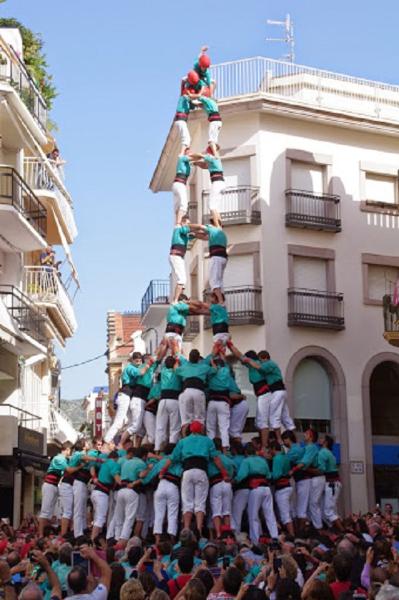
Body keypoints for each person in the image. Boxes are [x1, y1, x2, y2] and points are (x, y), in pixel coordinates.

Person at [160, 421, 228, 534]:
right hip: (201, 471)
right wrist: (224, 473)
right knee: (200, 503)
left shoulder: (183, 441)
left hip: (187, 472)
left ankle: (186, 529)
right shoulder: (207, 441)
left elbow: (172, 458)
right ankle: (199, 530)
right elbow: (216, 459)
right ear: (201, 429)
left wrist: (162, 471)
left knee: (187, 502)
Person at [228, 343, 272, 449]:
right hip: (264, 395)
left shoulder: (253, 364)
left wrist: (230, 345)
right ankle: (264, 444)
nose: (243, 363)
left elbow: (239, 355)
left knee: (262, 422)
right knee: (259, 422)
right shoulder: (259, 365)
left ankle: (264, 447)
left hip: (264, 394)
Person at [234, 442, 278, 543]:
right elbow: (268, 475)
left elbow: (242, 475)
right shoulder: (263, 460)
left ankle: (255, 540)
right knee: (270, 514)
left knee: (253, 515)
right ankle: (275, 536)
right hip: (266, 488)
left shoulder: (246, 461)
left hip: (255, 488)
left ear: (246, 452)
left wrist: (234, 481)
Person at [104, 354, 142, 444]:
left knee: (132, 422)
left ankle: (123, 441)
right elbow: (140, 373)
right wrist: (148, 365)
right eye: (137, 361)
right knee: (119, 422)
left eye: (140, 361)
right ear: (132, 361)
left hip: (127, 397)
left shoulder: (132, 367)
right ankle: (106, 441)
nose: (138, 363)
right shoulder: (130, 368)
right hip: (124, 396)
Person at [288, 428, 321, 532]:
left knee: (309, 506)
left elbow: (304, 462)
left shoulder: (311, 447)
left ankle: (309, 530)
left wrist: (293, 470)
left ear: (311, 436)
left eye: (306, 433)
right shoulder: (306, 447)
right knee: (307, 506)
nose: (304, 435)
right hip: (307, 478)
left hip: (311, 478)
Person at [175, 349, 216, 433]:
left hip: (187, 391)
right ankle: (200, 440)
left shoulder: (185, 366)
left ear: (189, 358)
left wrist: (176, 361)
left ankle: (185, 441)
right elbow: (215, 370)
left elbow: (175, 369)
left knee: (186, 421)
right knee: (199, 420)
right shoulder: (204, 367)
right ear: (198, 359)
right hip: (199, 391)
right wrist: (212, 362)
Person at [113, 447, 146, 546]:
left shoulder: (126, 462)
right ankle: (122, 541)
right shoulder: (141, 463)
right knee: (129, 518)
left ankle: (116, 538)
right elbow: (141, 475)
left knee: (119, 516)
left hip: (121, 490)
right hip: (131, 491)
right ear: (143, 456)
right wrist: (149, 469)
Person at [39, 442, 73, 537]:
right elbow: (69, 469)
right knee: (45, 511)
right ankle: (41, 534)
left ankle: (45, 533)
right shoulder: (59, 458)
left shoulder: (62, 459)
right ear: (67, 449)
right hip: (49, 485)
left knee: (49, 512)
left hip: (54, 485)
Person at [190, 220, 228, 303]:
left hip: (216, 257)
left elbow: (200, 227)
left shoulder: (213, 229)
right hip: (223, 258)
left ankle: (220, 301)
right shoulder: (222, 234)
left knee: (213, 281)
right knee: (219, 281)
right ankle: (220, 299)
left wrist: (187, 227)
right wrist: (194, 234)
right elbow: (204, 237)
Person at [190, 146, 225, 226]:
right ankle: (219, 225)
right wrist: (196, 163)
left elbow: (199, 155)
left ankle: (217, 226)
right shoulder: (215, 160)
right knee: (215, 207)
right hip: (221, 183)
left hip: (217, 183)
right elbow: (204, 166)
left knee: (211, 206)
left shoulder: (212, 157)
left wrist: (190, 156)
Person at [91, 451, 122, 540]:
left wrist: (94, 477)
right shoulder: (114, 464)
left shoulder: (105, 463)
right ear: (116, 458)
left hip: (95, 492)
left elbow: (92, 467)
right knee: (100, 519)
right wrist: (123, 484)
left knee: (97, 518)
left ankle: (95, 540)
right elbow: (116, 476)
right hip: (102, 494)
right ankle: (93, 540)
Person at [208, 438, 235, 537]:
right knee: (227, 511)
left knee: (216, 512)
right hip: (227, 485)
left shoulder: (211, 459)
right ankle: (228, 535)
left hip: (216, 484)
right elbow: (233, 471)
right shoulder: (228, 459)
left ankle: (219, 534)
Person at [154, 355, 183, 451]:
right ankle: (172, 449)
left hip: (163, 401)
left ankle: (157, 449)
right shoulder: (178, 372)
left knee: (160, 427)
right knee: (174, 428)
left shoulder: (162, 372)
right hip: (174, 400)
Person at [206, 356, 233, 450]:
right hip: (223, 402)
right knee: (224, 427)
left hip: (212, 402)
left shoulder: (210, 372)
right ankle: (225, 449)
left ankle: (210, 449)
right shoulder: (226, 370)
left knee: (210, 428)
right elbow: (226, 362)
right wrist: (222, 353)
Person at [270, 440, 294, 536]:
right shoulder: (286, 457)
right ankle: (290, 533)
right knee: (289, 512)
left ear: (273, 449)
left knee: (285, 515)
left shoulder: (277, 458)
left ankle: (292, 535)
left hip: (282, 488)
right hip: (288, 486)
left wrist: (268, 475)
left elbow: (276, 475)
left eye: (269, 450)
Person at [319, 435, 343, 531]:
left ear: (326, 442)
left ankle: (342, 531)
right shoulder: (329, 453)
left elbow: (321, 470)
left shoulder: (323, 453)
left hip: (331, 484)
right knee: (329, 511)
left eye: (322, 438)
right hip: (333, 484)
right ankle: (334, 530)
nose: (319, 439)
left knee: (328, 511)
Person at [169, 217, 192, 304]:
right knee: (181, 279)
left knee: (184, 280)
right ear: (182, 223)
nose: (188, 226)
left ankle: (179, 298)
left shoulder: (185, 234)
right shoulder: (179, 228)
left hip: (179, 257)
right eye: (187, 223)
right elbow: (187, 230)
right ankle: (175, 300)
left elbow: (193, 235)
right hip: (176, 256)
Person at [172, 154, 192, 226]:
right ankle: (178, 224)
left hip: (177, 184)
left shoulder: (185, 162)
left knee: (177, 206)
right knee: (184, 205)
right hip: (180, 184)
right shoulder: (182, 158)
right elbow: (193, 157)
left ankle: (177, 224)